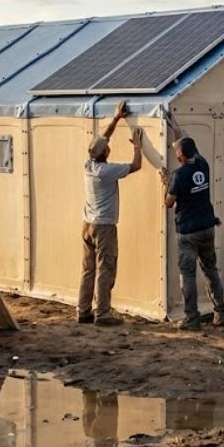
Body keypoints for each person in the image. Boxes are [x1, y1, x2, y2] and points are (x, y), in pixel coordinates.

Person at [161, 117, 224, 330]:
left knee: (188, 274)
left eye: (176, 151)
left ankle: (192, 317)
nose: (175, 153)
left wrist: (165, 184)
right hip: (207, 227)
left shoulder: (178, 176)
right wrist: (176, 128)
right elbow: (187, 143)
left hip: (188, 232)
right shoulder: (202, 164)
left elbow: (168, 203)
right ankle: (220, 312)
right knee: (210, 270)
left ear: (180, 155)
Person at [78, 101, 143, 326]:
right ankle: (103, 314)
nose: (108, 145)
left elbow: (102, 140)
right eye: (107, 146)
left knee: (88, 269)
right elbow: (136, 166)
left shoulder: (89, 165)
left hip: (87, 224)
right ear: (106, 153)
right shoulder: (107, 171)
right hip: (104, 226)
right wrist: (137, 147)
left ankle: (83, 311)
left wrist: (116, 119)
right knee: (105, 268)